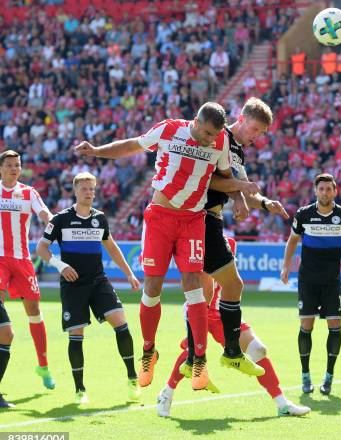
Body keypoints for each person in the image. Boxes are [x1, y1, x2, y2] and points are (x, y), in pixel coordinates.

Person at [75, 102, 261, 391]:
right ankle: (149, 351)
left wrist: (240, 193)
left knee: (194, 284)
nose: (212, 140)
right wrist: (97, 151)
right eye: (208, 133)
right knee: (153, 287)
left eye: (216, 135)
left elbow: (223, 179)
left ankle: (198, 358)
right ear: (196, 122)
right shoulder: (169, 129)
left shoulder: (221, 140)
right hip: (160, 218)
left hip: (193, 221)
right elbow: (131, 145)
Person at [185, 97, 287, 377]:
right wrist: (240, 194)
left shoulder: (237, 152)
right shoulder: (220, 138)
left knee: (206, 293)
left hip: (209, 219)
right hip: (200, 217)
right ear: (240, 119)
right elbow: (212, 179)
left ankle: (195, 354)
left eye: (261, 133)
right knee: (222, 288)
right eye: (254, 129)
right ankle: (221, 351)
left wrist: (265, 203)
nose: (256, 136)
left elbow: (244, 190)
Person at [158, 237, 311, 418]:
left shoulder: (229, 242)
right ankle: (166, 394)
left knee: (259, 350)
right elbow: (197, 284)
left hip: (223, 312)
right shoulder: (197, 246)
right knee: (193, 355)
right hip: (200, 309)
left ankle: (282, 404)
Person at [36, 172, 141, 404]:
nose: (89, 193)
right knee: (76, 336)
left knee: (121, 323)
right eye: (84, 189)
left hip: (98, 281)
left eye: (92, 189)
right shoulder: (60, 219)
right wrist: (60, 265)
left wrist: (130, 274)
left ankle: (133, 378)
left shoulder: (100, 218)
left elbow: (112, 248)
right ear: (75, 191)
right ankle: (80, 390)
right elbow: (41, 248)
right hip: (73, 286)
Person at [281, 173, 341, 395]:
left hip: (331, 281)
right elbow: (293, 240)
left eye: (329, 189)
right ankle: (305, 376)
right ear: (316, 191)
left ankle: (329, 377)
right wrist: (286, 265)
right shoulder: (304, 214)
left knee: (335, 327)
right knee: (306, 327)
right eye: (321, 189)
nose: (325, 193)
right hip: (307, 280)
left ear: (335, 191)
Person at [0, 150, 55, 391]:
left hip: (22, 260)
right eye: (10, 165)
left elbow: (44, 213)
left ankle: (43, 365)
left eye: (17, 165)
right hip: (0, 258)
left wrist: (50, 221)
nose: (14, 168)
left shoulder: (28, 192)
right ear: (1, 168)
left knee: (33, 309)